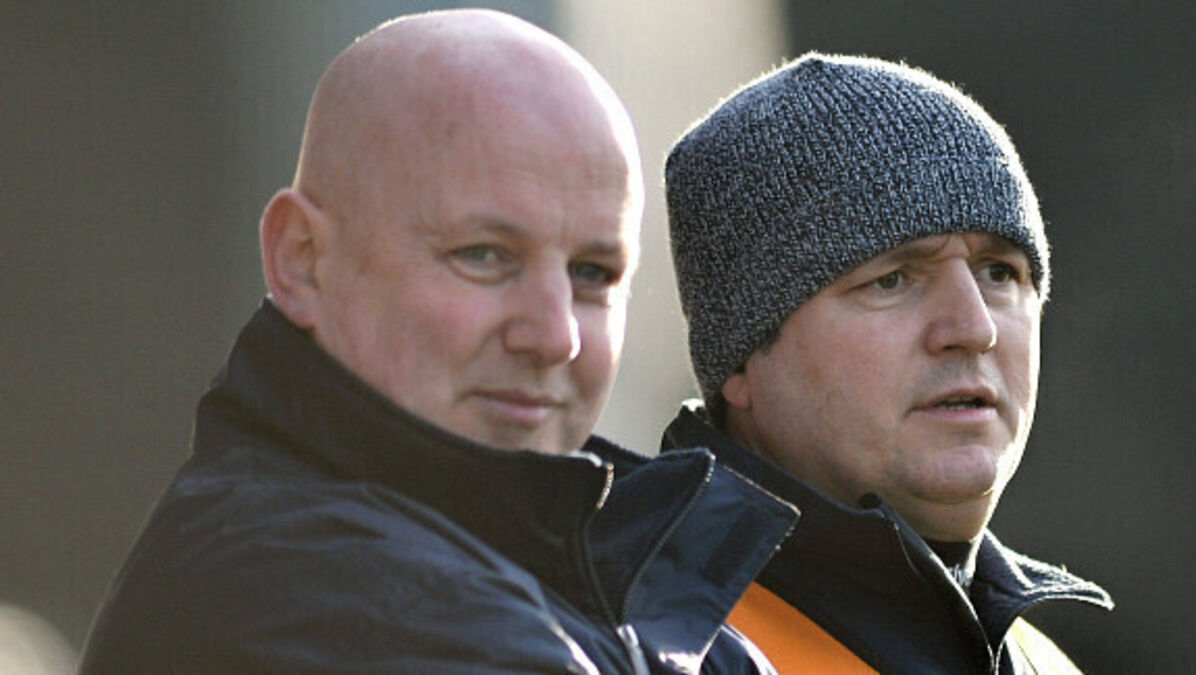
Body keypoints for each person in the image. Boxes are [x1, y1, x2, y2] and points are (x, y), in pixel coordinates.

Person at [78, 10, 798, 673]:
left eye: (592, 273)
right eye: (484, 255)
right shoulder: (309, 593)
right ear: (302, 259)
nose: (555, 337)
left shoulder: (608, 587)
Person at [661, 53, 1113, 673]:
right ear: (740, 357)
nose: (974, 328)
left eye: (999, 272)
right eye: (892, 279)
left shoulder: (1043, 662)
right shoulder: (645, 646)